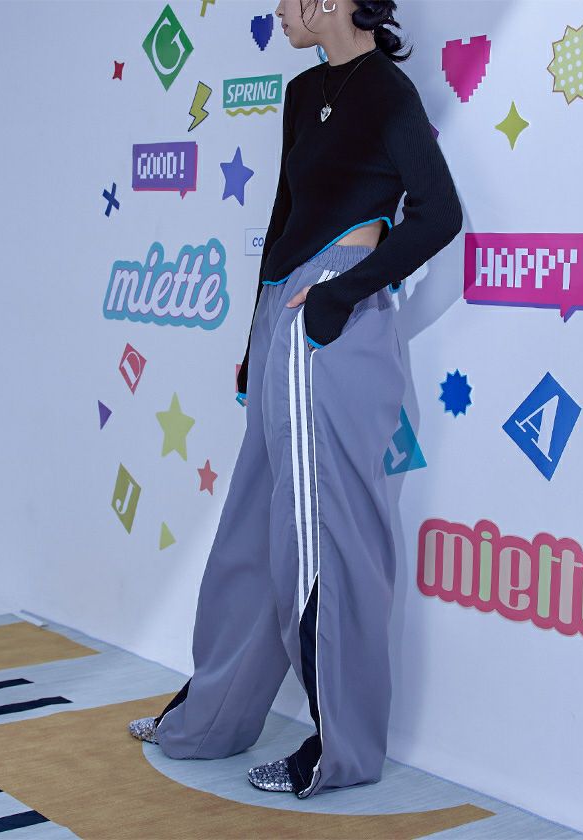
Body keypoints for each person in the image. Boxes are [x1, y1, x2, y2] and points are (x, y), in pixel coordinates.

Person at [129, 0, 463, 799]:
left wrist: (339, 296)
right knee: (253, 530)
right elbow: (283, 215)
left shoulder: (386, 91)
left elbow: (440, 213)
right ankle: (209, 720)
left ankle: (341, 749)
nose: (279, 9)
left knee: (323, 540)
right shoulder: (301, 92)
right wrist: (257, 335)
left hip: (330, 324)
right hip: (285, 316)